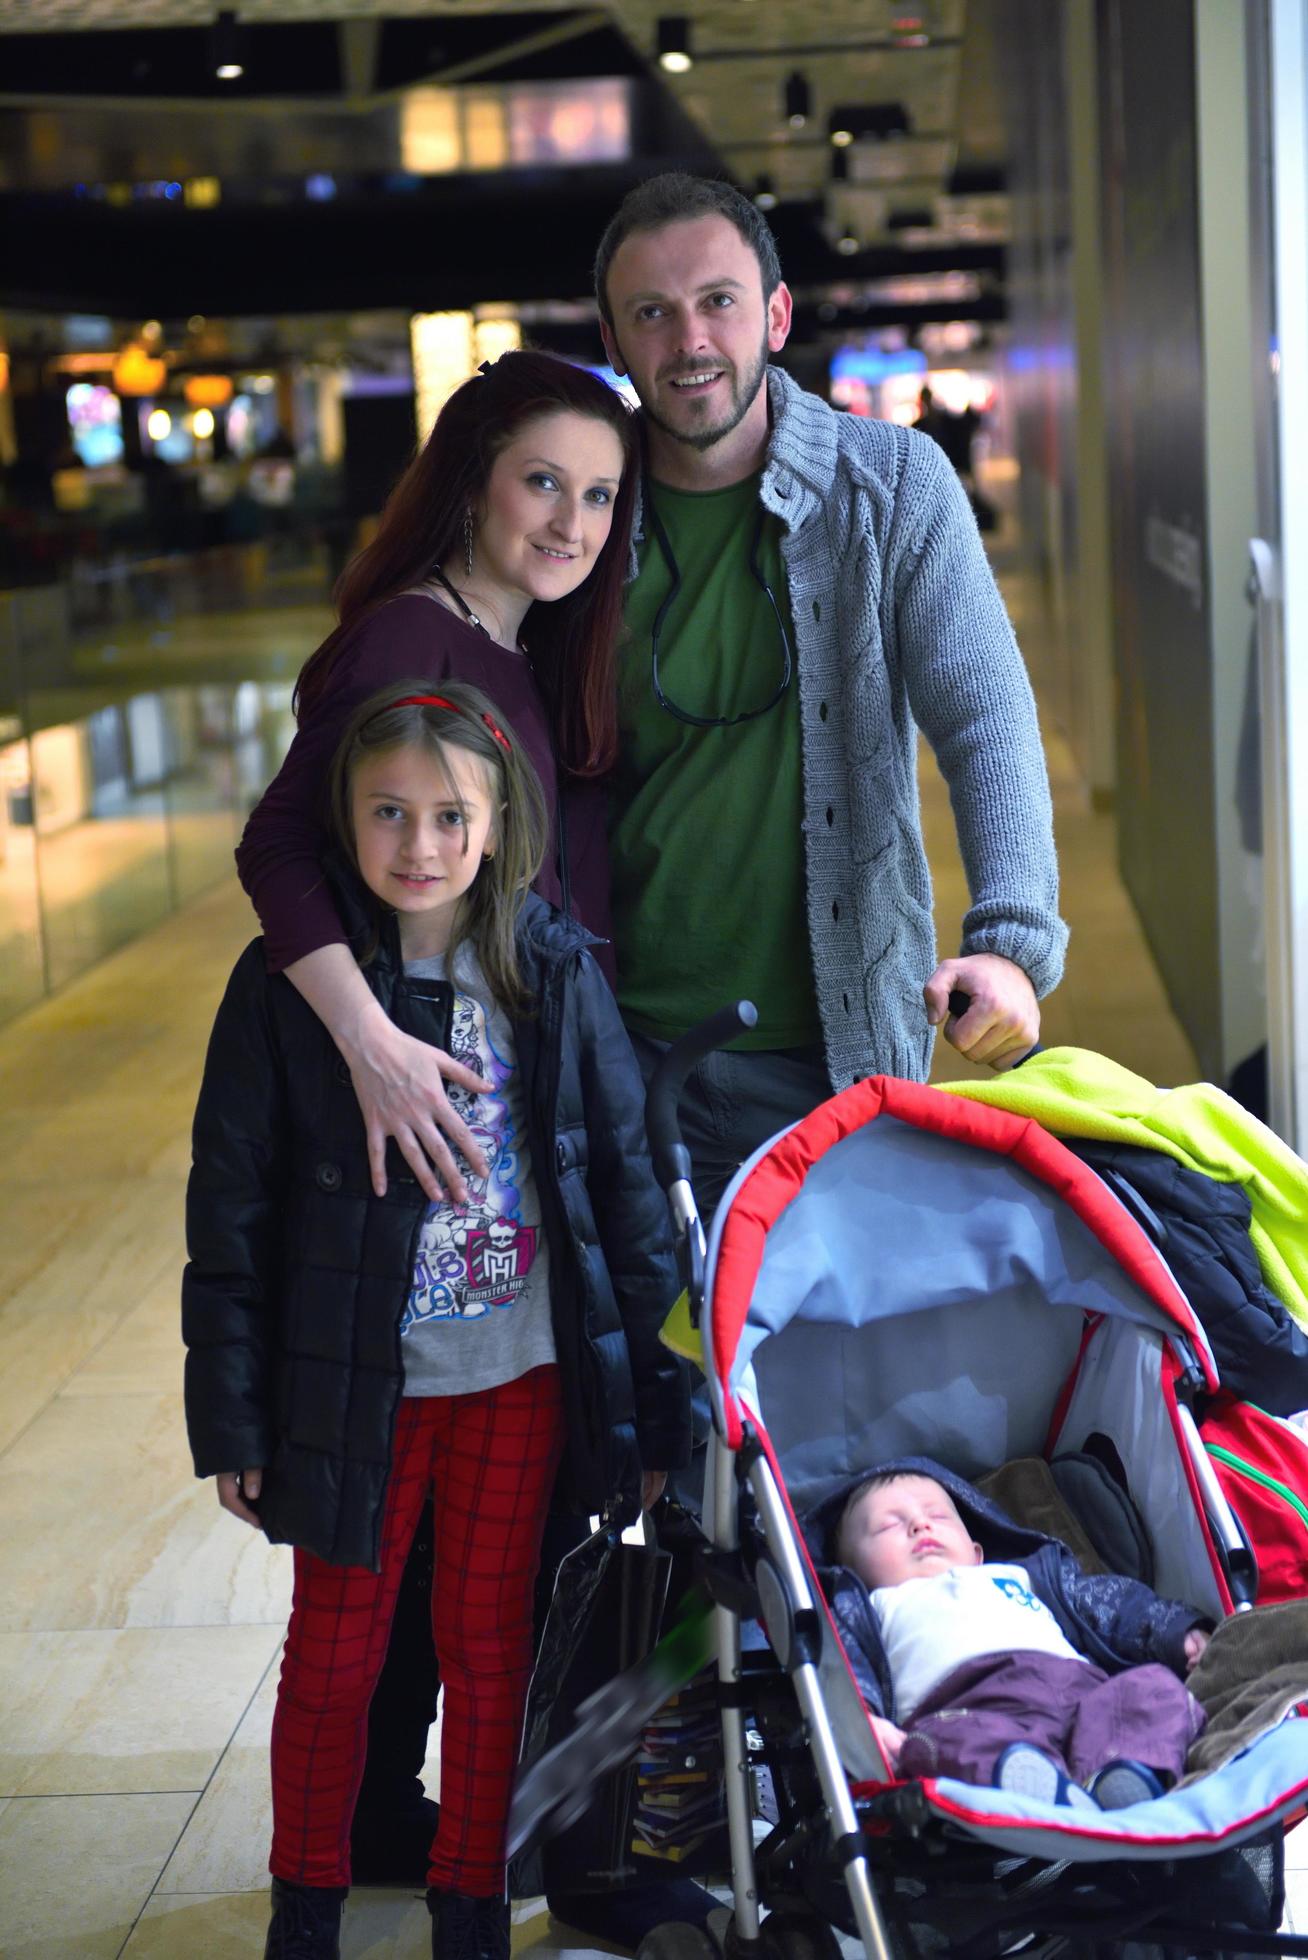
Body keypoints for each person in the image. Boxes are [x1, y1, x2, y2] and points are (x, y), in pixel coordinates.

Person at [184, 681, 690, 1960]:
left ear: (499, 818)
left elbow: (622, 1193)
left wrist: (647, 1405)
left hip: (516, 1376)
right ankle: (307, 1902)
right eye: (388, 812)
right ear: (345, 820)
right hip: (352, 1389)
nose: (419, 844)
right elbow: (229, 1216)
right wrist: (233, 1414)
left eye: (449, 815)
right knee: (336, 1655)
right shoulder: (288, 989)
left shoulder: (555, 971)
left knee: (487, 1647)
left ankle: (469, 1899)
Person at [591, 173, 1067, 1223]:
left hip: (838, 1046)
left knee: (839, 1376)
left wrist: (1012, 941)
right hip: (619, 1052)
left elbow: (985, 719)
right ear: (616, 340)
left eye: (717, 300)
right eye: (652, 314)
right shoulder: (581, 511)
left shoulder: (891, 484)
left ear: (775, 313)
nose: (690, 340)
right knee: (659, 1380)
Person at [815, 1463, 1210, 1808]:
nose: (921, 1525)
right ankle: (1033, 1788)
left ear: (976, 1551)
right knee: (942, 1741)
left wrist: (1173, 1630)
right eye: (888, 1525)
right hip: (969, 1707)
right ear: (857, 1573)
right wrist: (864, 1720)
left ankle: (1120, 1775)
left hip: (1084, 1696)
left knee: (1153, 1688)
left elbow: (1110, 1604)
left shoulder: (1023, 1576)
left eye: (938, 1515)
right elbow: (845, 1670)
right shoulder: (872, 1608)